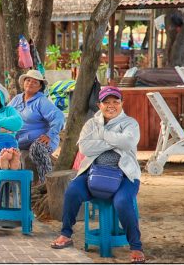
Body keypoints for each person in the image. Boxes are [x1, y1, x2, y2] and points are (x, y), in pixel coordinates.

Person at [50, 86, 145, 264]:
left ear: (121, 103)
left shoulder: (130, 123)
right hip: (93, 172)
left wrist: (102, 136)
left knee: (123, 201)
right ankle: (66, 234)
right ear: (99, 105)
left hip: (125, 175)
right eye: (106, 102)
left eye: (115, 102)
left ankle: (136, 247)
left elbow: (129, 141)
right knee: (72, 191)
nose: (111, 105)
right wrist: (115, 141)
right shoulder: (91, 124)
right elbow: (85, 147)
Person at [8, 70, 64, 184]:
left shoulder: (41, 101)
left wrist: (50, 135)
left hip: (44, 140)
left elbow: (59, 117)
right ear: (23, 82)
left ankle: (47, 184)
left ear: (39, 87)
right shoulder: (17, 99)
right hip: (21, 140)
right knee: (3, 148)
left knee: (37, 148)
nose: (30, 83)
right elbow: (5, 115)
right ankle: (10, 186)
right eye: (28, 80)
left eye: (35, 82)